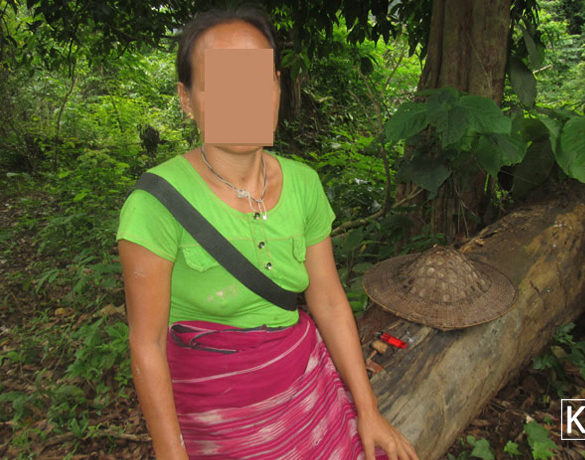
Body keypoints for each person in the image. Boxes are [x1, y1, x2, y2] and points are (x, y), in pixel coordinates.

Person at [117, 6, 419, 460]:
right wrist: (170, 452)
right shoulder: (155, 203)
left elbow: (328, 300)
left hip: (303, 381)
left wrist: (368, 409)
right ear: (187, 99)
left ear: (276, 87)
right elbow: (147, 344)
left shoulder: (303, 184)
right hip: (214, 409)